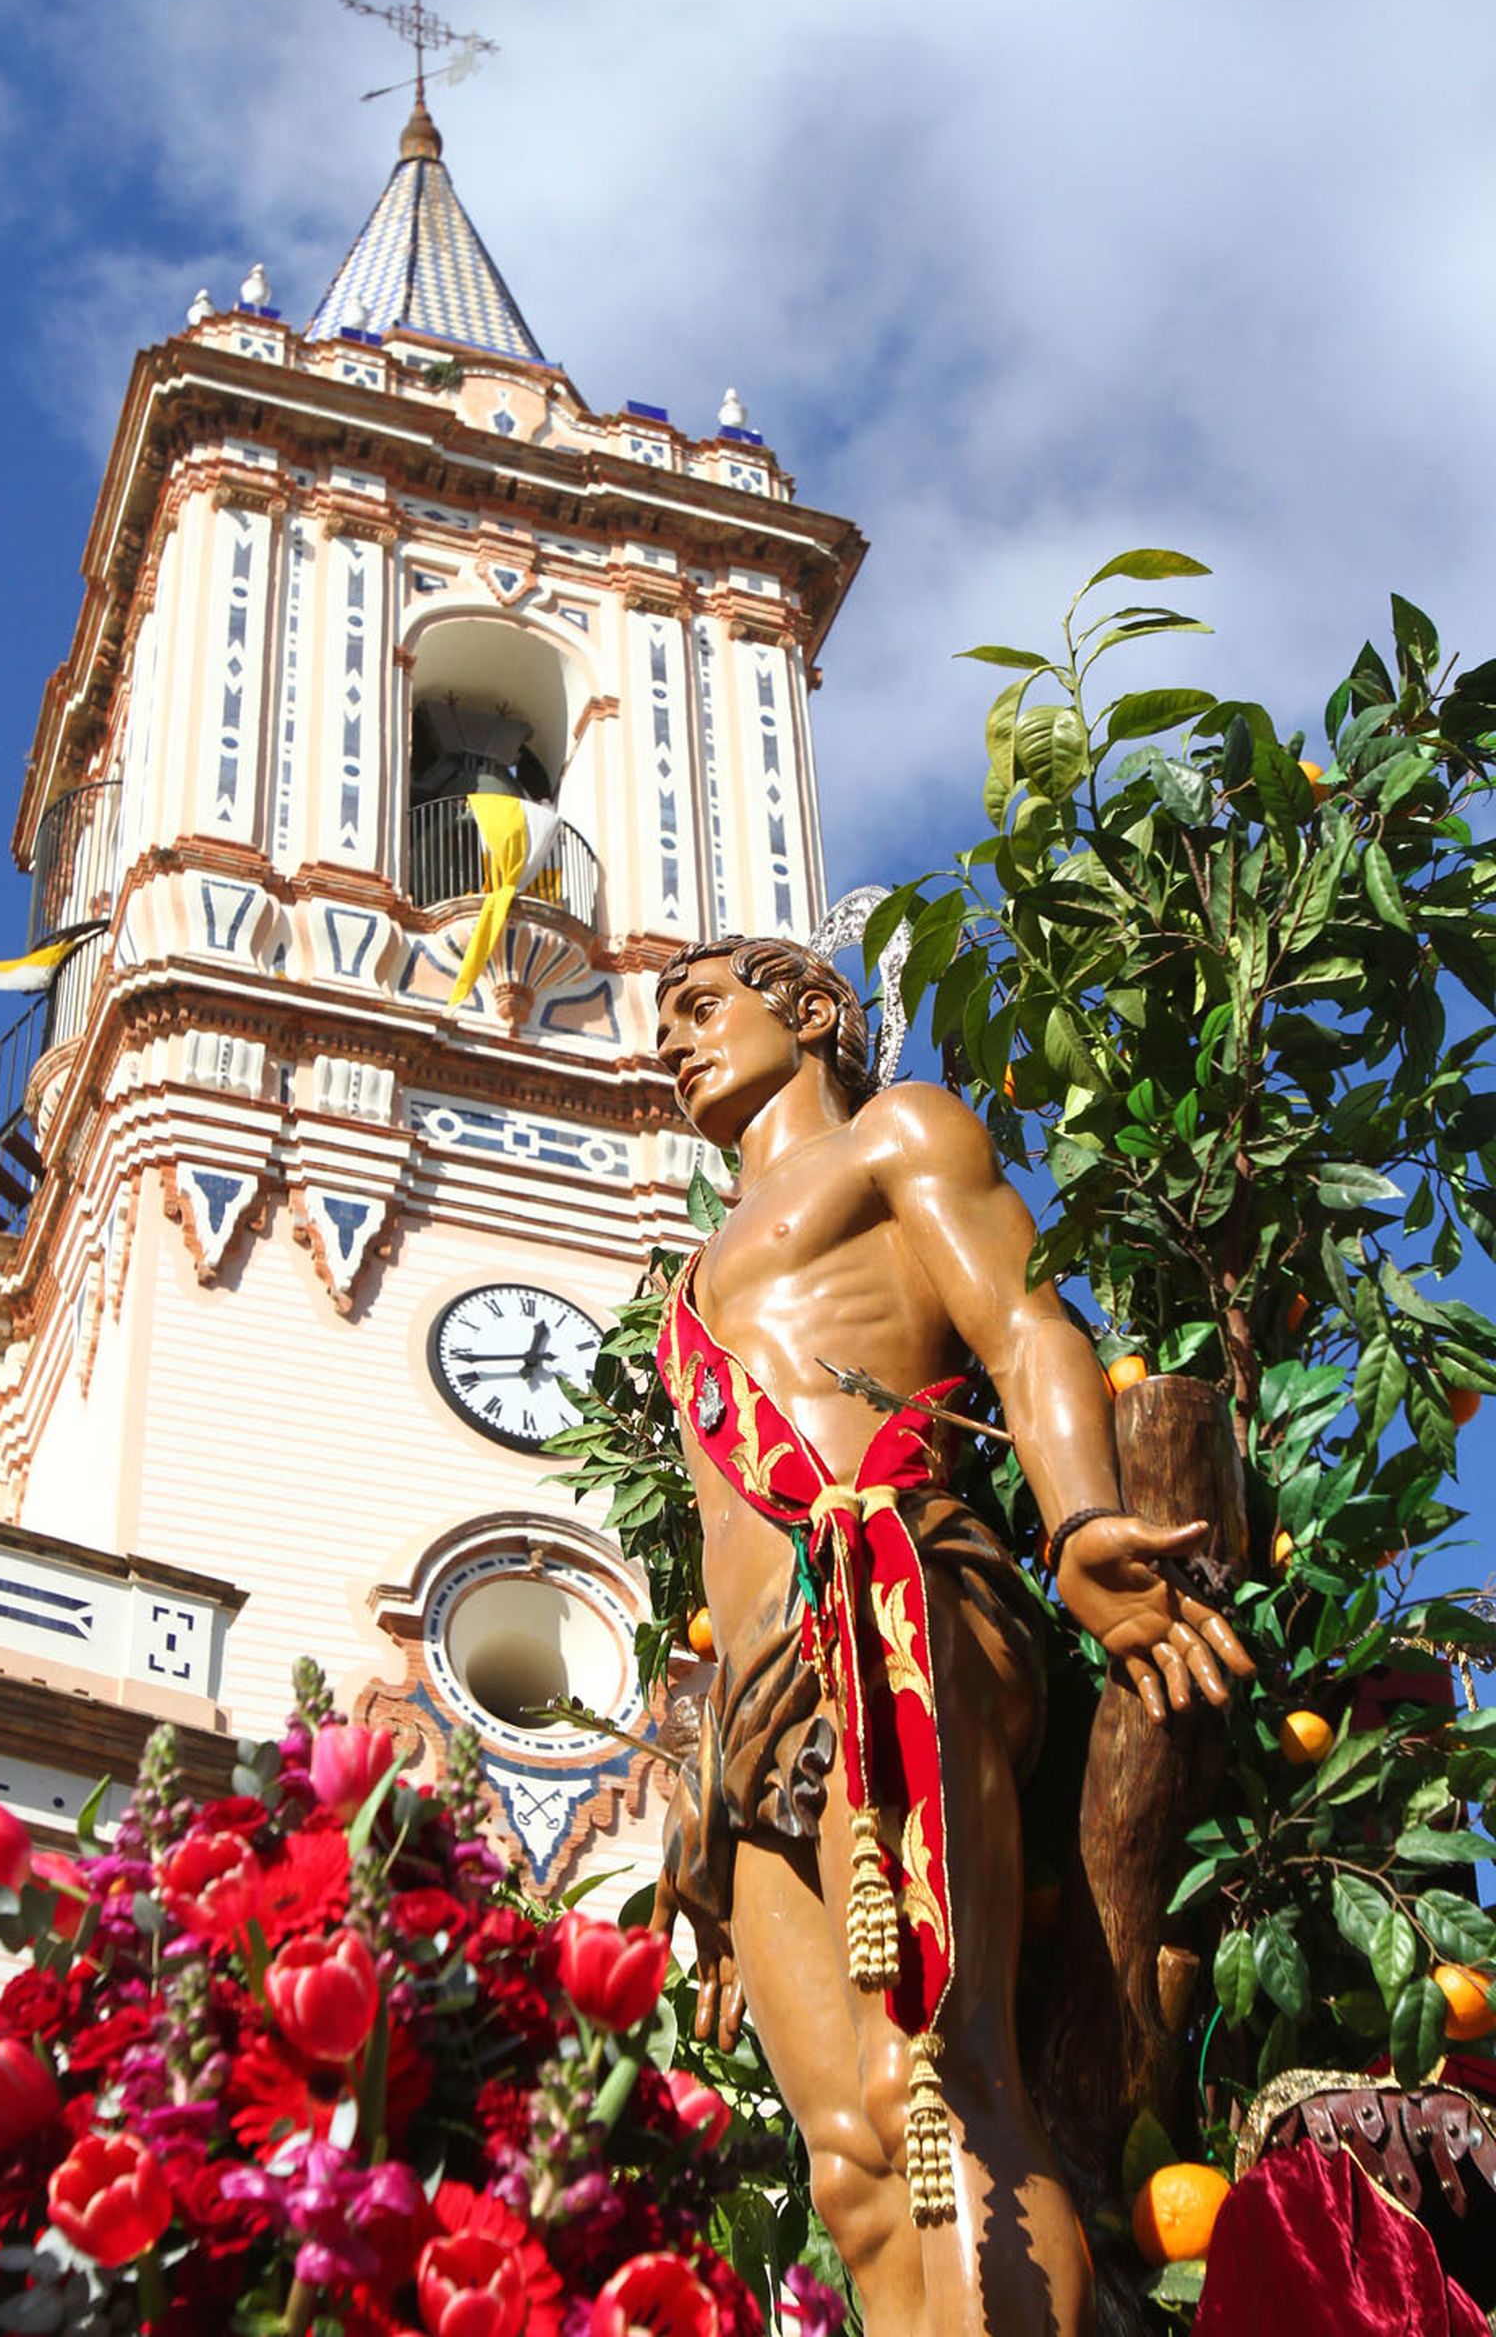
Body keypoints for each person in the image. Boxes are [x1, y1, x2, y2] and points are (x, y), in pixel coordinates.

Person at [649, 936, 1253, 2337]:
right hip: (751, 1712)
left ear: (808, 1014)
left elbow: (1023, 1330)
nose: (671, 1043)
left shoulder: (897, 1136)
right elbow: (707, 1530)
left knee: (929, 2079)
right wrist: (697, 1796)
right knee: (850, 2172)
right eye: (661, 1025)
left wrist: (1080, 1521)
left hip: (889, 1617)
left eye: (699, 1008)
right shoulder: (686, 1286)